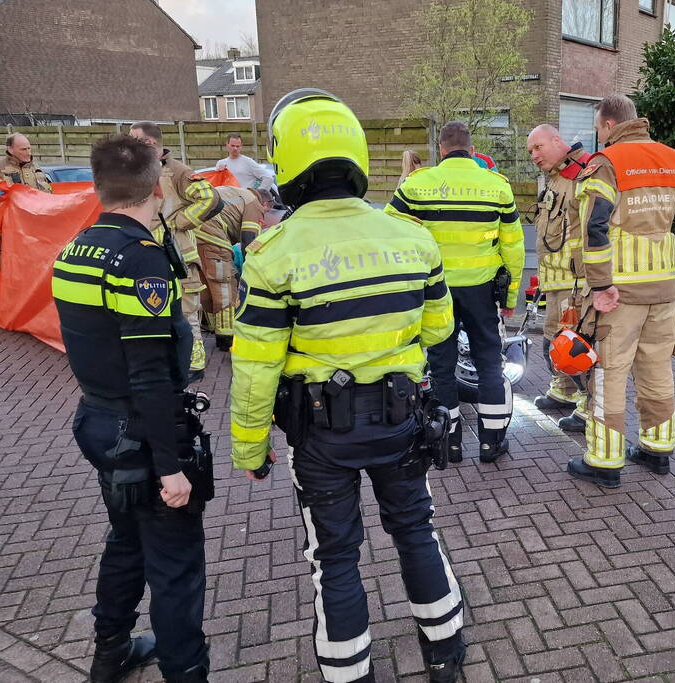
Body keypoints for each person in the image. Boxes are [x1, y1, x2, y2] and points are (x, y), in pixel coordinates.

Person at [229, 88, 466, 683]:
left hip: (320, 434)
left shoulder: (272, 253)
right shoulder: (412, 238)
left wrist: (250, 448)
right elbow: (440, 328)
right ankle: (445, 651)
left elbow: (255, 367)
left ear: (286, 161)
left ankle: (348, 671)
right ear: (355, 155)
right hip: (400, 419)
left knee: (333, 556)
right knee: (415, 529)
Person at [51, 134, 209, 682]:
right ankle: (186, 672)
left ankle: (111, 652)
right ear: (156, 187)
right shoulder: (139, 261)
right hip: (140, 433)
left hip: (98, 421)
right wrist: (170, 467)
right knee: (176, 565)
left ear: (98, 187)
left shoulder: (75, 248)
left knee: (126, 541)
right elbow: (148, 373)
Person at [567, 95, 675, 488]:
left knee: (609, 372)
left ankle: (604, 461)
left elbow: (594, 226)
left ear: (608, 124)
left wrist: (601, 285)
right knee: (657, 367)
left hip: (619, 293)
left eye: (598, 128)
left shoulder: (606, 162)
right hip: (664, 290)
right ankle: (656, 449)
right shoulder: (674, 160)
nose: (598, 135)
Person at [386, 121, 525, 464]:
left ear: (441, 149)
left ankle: (449, 444)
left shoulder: (417, 186)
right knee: (489, 365)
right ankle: (492, 443)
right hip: (481, 291)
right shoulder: (498, 187)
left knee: (441, 367)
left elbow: (390, 236)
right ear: (472, 150)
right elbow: (513, 247)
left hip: (435, 292)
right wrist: (509, 299)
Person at [130, 122, 221, 382]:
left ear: (149, 143)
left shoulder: (177, 171)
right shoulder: (141, 171)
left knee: (187, 310)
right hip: (149, 253)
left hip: (177, 254)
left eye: (133, 140)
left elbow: (211, 198)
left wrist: (178, 223)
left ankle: (194, 364)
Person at [525, 124, 592, 429]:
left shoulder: (583, 173)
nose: (534, 156)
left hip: (575, 282)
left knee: (574, 346)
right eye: (530, 151)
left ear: (556, 141)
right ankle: (564, 391)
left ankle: (590, 405)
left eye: (538, 147)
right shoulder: (556, 178)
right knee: (554, 341)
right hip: (555, 281)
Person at [195, 185, 270, 352]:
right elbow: (249, 239)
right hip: (213, 237)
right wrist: (250, 270)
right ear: (265, 204)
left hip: (192, 236)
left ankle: (211, 325)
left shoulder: (234, 192)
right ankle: (226, 336)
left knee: (205, 284)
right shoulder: (254, 203)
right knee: (225, 284)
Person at [0, 134, 52, 208]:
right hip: (12, 216)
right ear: (10, 149)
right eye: (23, 149)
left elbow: (49, 191)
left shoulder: (36, 168)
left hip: (39, 214)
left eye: (29, 148)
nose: (28, 153)